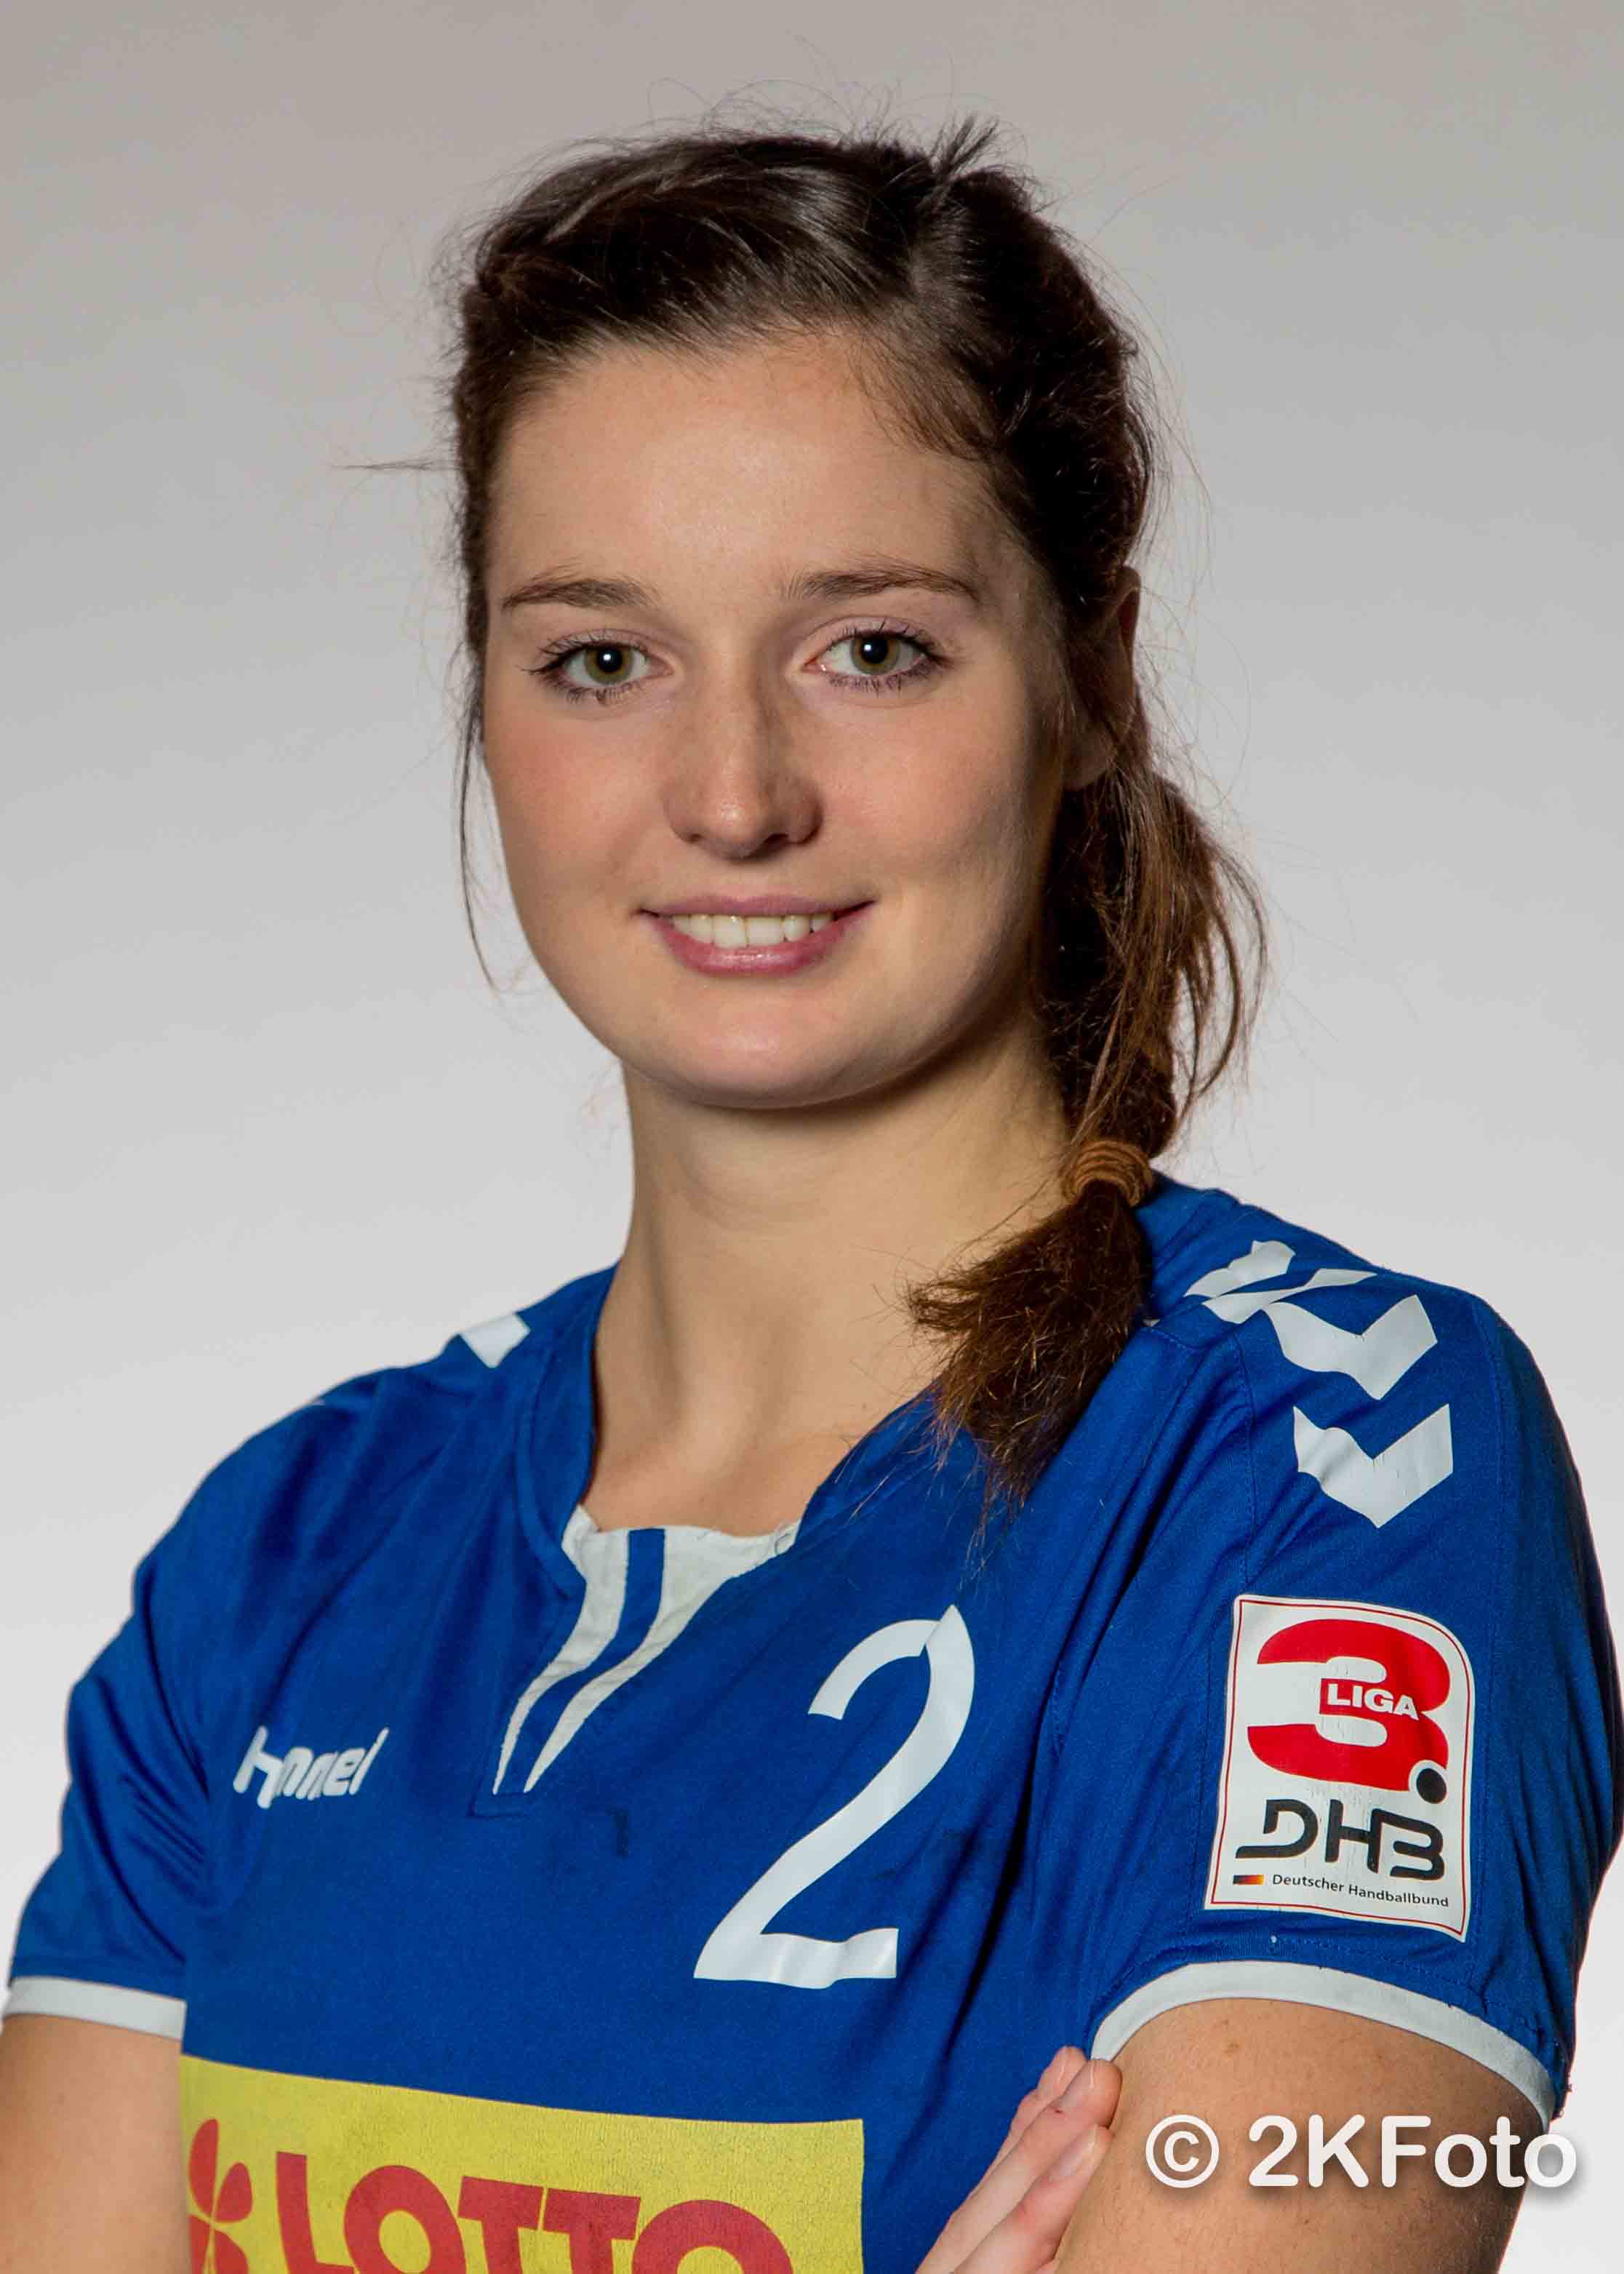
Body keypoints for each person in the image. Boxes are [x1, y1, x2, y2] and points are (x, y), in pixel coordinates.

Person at [2, 105, 1619, 2274]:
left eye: (870, 648)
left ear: (1089, 677)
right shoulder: (289, 1550)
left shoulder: (1340, 1465)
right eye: (602, 660)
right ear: (485, 704)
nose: (732, 792)